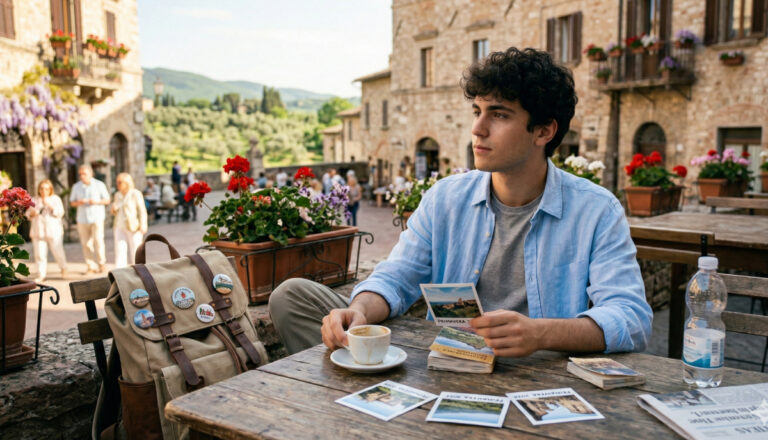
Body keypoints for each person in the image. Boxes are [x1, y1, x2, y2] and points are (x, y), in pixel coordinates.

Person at [268, 47, 652, 356]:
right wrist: (360, 310)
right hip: (449, 358)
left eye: (498, 115)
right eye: (477, 111)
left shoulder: (596, 210)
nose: (477, 128)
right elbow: (398, 276)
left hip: (542, 373)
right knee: (291, 297)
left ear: (544, 130)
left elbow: (630, 317)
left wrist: (539, 334)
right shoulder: (446, 198)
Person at [70, 164, 111, 274]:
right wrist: (80, 202)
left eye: (84, 174)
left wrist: (96, 202)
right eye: (80, 174)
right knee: (85, 243)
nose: (82, 176)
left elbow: (107, 200)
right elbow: (72, 203)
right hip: (82, 219)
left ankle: (102, 264)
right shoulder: (76, 186)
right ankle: (90, 266)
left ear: (91, 174)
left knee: (98, 241)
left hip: (97, 217)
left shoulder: (99, 185)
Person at [25, 179, 68, 282]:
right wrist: (32, 214)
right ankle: (41, 274)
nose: (44, 191)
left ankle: (63, 268)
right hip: (38, 231)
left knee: (58, 252)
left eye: (46, 189)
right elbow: (27, 214)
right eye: (42, 188)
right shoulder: (34, 200)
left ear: (50, 189)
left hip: (53, 231)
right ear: (39, 189)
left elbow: (60, 212)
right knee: (39, 254)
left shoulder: (55, 199)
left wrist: (49, 205)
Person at [111, 173, 148, 268]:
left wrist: (143, 224)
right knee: (120, 249)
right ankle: (120, 272)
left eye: (120, 182)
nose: (117, 184)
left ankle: (139, 270)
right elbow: (115, 211)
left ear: (126, 183)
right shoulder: (117, 195)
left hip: (133, 226)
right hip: (119, 225)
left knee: (136, 249)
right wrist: (113, 209)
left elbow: (142, 210)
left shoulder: (135, 193)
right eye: (117, 182)